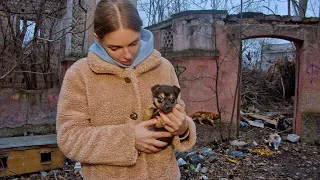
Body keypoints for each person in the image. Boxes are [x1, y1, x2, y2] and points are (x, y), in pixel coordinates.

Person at [56, 0, 196, 179]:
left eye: (133, 43)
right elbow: (69, 138)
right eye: (115, 48)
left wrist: (183, 128)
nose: (127, 55)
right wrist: (129, 139)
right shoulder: (80, 74)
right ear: (98, 38)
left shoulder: (163, 67)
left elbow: (178, 114)